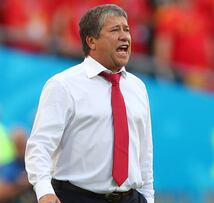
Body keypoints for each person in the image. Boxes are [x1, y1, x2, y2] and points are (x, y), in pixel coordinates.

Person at [25, 4, 154, 203]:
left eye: (126, 29)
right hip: (76, 197)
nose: (125, 36)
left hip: (131, 198)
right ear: (91, 41)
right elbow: (40, 145)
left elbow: (144, 154)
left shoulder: (138, 88)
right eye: (114, 30)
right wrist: (44, 191)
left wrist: (148, 198)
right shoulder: (63, 85)